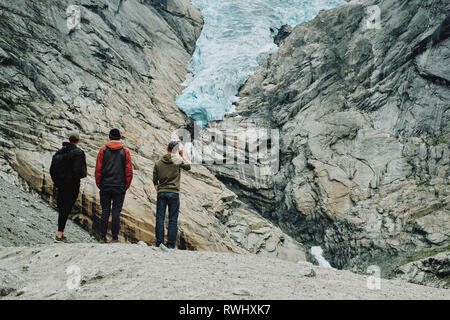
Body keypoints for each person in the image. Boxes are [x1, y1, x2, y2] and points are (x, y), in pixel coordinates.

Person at [95, 128, 133, 243]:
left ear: (109, 137)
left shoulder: (103, 150)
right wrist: (126, 185)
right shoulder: (125, 151)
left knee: (105, 210)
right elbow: (129, 171)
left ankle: (102, 237)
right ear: (120, 138)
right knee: (116, 211)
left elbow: (98, 169)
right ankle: (115, 238)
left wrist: (99, 183)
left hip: (105, 184)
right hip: (119, 185)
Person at [152, 141, 191, 249]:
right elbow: (188, 167)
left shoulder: (158, 162)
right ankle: (170, 244)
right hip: (174, 193)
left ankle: (159, 242)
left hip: (162, 192)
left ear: (166, 148)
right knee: (173, 219)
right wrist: (182, 155)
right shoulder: (178, 161)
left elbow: (155, 181)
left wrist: (160, 190)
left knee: (160, 218)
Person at [50, 132, 87, 242]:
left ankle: (60, 233)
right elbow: (79, 171)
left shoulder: (59, 152)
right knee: (66, 208)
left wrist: (57, 182)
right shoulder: (79, 153)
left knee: (62, 208)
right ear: (78, 141)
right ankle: (60, 235)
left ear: (69, 139)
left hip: (60, 184)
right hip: (72, 185)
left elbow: (52, 169)